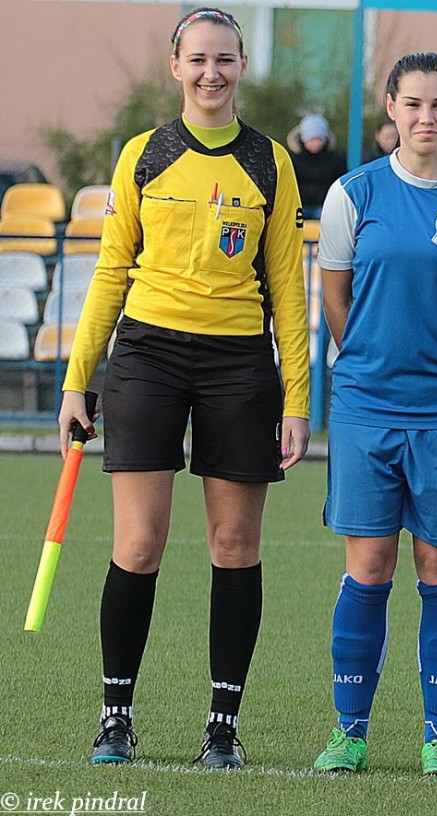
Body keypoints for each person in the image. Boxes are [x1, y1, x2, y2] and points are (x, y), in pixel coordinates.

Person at [58, 6, 311, 770]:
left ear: (242, 66)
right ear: (175, 66)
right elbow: (110, 272)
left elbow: (287, 289)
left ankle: (222, 729)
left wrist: (297, 399)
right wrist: (77, 381)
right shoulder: (143, 155)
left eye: (225, 59)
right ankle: (115, 719)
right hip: (148, 356)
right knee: (138, 544)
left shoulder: (270, 161)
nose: (211, 72)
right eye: (198, 59)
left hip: (239, 362)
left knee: (234, 546)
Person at [312, 52, 437, 776]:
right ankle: (349, 733)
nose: (426, 118)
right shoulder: (353, 193)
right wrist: (371, 357)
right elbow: (336, 298)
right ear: (390, 110)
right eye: (413, 104)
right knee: (369, 564)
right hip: (367, 404)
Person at [288, 113, 346, 219]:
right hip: (298, 206)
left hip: (325, 207)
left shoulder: (336, 160)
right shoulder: (292, 160)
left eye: (319, 139)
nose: (315, 143)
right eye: (311, 139)